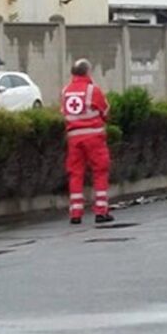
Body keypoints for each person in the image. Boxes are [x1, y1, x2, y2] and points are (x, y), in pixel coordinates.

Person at [61, 59, 113, 225]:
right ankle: (101, 211)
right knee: (100, 172)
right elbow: (105, 111)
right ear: (87, 72)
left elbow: (64, 113)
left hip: (74, 138)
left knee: (75, 174)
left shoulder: (65, 91)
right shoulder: (93, 91)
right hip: (94, 138)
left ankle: (75, 213)